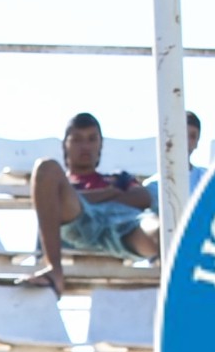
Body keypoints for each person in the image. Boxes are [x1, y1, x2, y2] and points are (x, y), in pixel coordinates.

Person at [28, 111, 159, 290]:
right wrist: (111, 193)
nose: (85, 146)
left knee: (163, 230)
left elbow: (143, 197)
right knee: (45, 167)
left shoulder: (120, 177)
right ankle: (54, 271)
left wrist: (94, 196)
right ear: (65, 145)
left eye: (92, 139)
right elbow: (57, 205)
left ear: (100, 145)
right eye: (77, 139)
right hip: (80, 223)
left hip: (127, 226)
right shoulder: (61, 184)